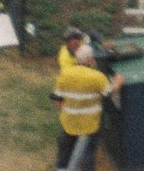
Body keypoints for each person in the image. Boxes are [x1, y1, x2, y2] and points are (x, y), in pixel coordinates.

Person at [52, 34, 121, 170]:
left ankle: (60, 168)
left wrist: (64, 114)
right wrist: (118, 81)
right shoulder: (97, 77)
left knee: (65, 151)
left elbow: (58, 100)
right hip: (89, 125)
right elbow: (109, 94)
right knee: (88, 154)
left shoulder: (64, 75)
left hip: (69, 122)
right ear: (90, 60)